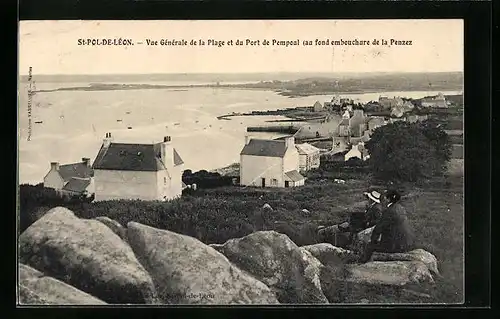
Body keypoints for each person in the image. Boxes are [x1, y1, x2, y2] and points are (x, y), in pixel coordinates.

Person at [359, 189, 416, 263]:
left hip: (396, 245)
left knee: (370, 246)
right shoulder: (400, 208)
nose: (383, 199)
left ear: (389, 199)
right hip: (407, 243)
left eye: (385, 197)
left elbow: (378, 229)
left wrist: (373, 241)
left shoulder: (389, 211)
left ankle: (362, 263)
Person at [317, 190, 384, 247]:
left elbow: (378, 220)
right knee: (344, 226)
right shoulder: (373, 206)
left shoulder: (377, 208)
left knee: (338, 228)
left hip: (360, 226)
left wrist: (367, 223)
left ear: (371, 199)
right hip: (358, 225)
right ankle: (328, 233)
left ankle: (324, 234)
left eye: (368, 198)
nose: (367, 199)